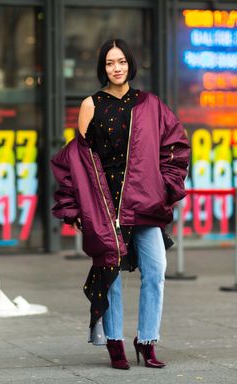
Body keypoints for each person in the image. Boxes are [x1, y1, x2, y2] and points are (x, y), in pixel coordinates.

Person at [50, 38, 190, 370]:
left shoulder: (150, 104)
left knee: (156, 271)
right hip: (104, 203)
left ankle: (147, 341)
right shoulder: (90, 105)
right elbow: (77, 162)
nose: (117, 68)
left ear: (131, 65)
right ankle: (114, 343)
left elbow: (175, 147)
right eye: (111, 62)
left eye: (123, 62)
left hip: (144, 202)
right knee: (109, 274)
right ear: (103, 67)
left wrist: (164, 187)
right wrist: (76, 210)